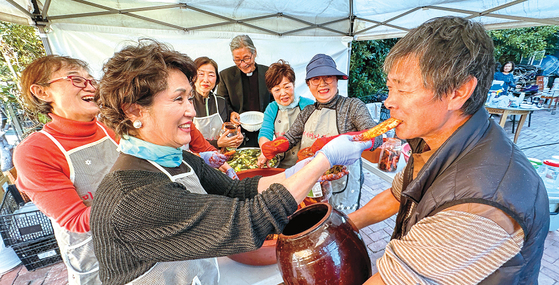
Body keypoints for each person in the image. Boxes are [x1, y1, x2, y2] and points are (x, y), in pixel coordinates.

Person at [91, 39, 372, 285]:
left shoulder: (182, 160)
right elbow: (248, 220)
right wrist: (324, 160)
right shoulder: (132, 195)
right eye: (179, 99)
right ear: (133, 110)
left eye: (189, 98)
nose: (191, 110)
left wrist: (299, 169)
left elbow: (238, 192)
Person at [347, 16, 549, 285]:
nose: (388, 102)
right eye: (389, 87)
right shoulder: (434, 139)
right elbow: (399, 195)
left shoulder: (482, 202)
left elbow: (395, 279)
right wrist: (341, 227)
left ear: (458, 91)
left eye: (403, 89)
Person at [13, 55, 119, 284]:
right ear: (42, 92)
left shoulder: (110, 127)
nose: (90, 86)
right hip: (95, 259)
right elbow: (77, 219)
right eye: (77, 80)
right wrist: (146, 198)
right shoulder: (35, 151)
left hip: (138, 241)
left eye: (91, 80)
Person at [261, 54, 382, 214]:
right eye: (315, 79)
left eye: (328, 77)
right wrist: (275, 146)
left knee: (339, 229)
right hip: (312, 182)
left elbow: (376, 136)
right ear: (308, 84)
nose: (322, 84)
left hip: (341, 184)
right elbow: (291, 137)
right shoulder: (308, 111)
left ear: (337, 79)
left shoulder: (352, 106)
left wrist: (335, 142)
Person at [216, 35, 272, 147]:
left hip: (266, 130)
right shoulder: (225, 76)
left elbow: (276, 99)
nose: (243, 64)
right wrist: (231, 113)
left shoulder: (268, 73)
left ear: (254, 53)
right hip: (238, 134)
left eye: (246, 58)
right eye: (237, 60)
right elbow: (222, 102)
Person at [257, 59, 314, 168]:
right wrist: (266, 151)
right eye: (277, 90)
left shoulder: (309, 105)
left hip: (306, 164)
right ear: (271, 91)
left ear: (293, 84)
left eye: (287, 87)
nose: (283, 93)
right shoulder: (272, 108)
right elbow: (265, 132)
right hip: (281, 165)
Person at [192, 56, 243, 149]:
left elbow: (228, 130)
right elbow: (186, 139)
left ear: (216, 79)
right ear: (193, 77)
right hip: (194, 158)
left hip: (219, 157)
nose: (206, 80)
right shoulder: (186, 102)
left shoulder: (221, 101)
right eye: (201, 74)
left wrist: (236, 137)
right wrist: (217, 143)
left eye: (211, 75)